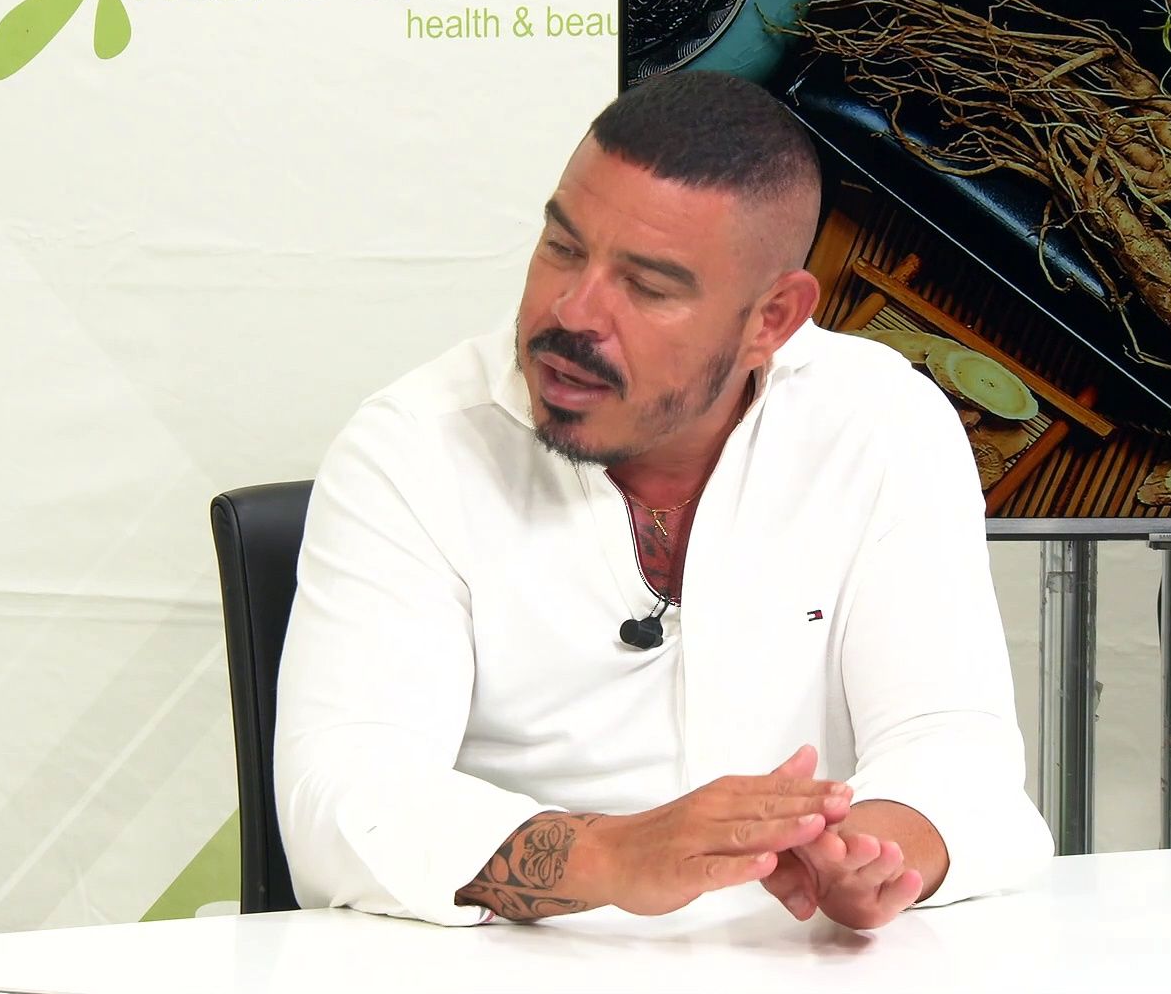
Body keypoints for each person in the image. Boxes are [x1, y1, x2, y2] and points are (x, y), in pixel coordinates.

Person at [273, 70, 1052, 931]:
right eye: (563, 248)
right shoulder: (414, 446)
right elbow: (342, 802)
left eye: (647, 287)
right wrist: (614, 857)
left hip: (796, 960)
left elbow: (954, 746)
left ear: (771, 319)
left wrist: (871, 856)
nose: (573, 313)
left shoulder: (879, 421)